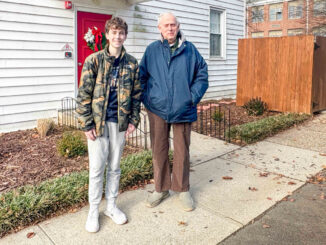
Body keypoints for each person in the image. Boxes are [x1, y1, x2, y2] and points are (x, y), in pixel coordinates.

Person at [76, 17, 141, 232]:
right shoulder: (93, 61)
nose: (118, 36)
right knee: (96, 169)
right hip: (98, 125)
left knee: (114, 167)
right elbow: (83, 94)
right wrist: (87, 124)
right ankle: (93, 210)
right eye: (114, 32)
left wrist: (133, 120)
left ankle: (111, 206)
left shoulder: (131, 63)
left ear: (125, 35)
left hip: (119, 124)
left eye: (121, 33)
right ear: (107, 34)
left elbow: (136, 94)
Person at [139, 12, 208, 211]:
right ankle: (160, 189)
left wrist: (191, 97)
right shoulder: (152, 50)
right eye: (166, 25)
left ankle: (183, 188)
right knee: (158, 149)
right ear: (159, 28)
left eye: (173, 25)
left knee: (182, 151)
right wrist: (148, 99)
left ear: (178, 27)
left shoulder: (189, 49)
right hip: (157, 110)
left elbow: (202, 74)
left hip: (182, 109)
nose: (170, 28)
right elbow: (142, 78)